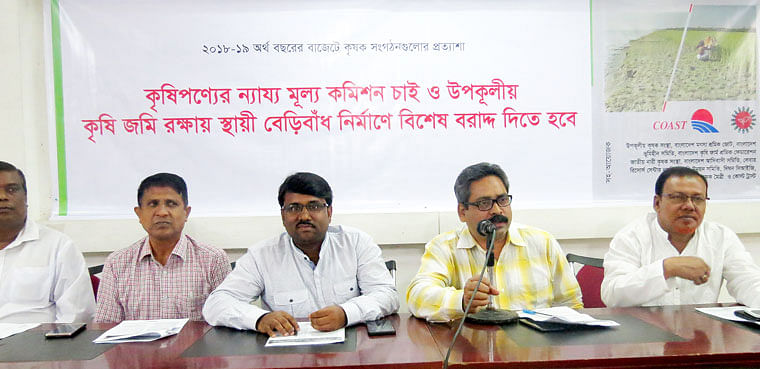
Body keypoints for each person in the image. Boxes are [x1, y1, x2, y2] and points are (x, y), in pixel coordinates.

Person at [203, 172, 398, 336]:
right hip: (288, 355)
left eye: (314, 206)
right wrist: (259, 319)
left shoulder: (356, 243)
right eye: (294, 208)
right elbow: (216, 304)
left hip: (353, 350)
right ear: (283, 215)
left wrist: (346, 313)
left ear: (329, 212)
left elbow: (386, 294)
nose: (304, 216)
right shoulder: (262, 255)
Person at [407, 162, 582, 322]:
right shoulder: (445, 247)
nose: (497, 210)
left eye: (503, 200)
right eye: (484, 203)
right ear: (462, 212)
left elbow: (571, 303)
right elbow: (417, 296)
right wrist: (461, 300)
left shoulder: (542, 243)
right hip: (473, 350)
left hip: (533, 350)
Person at [601, 166, 760, 307]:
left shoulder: (721, 237)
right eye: (678, 197)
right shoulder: (632, 237)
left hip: (702, 334)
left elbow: (748, 282)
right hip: (643, 336)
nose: (689, 206)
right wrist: (667, 268)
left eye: (698, 199)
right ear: (657, 203)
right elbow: (613, 295)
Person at [0, 160, 94, 323]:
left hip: (33, 346)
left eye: (12, 189)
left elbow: (77, 317)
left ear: (25, 197)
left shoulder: (58, 247)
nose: (2, 197)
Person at [94, 173, 231, 322]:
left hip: (197, 346)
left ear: (186, 212)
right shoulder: (117, 263)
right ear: (139, 214)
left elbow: (228, 320)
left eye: (171, 204)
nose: (162, 212)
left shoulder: (213, 260)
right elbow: (105, 328)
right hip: (135, 346)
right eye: (153, 204)